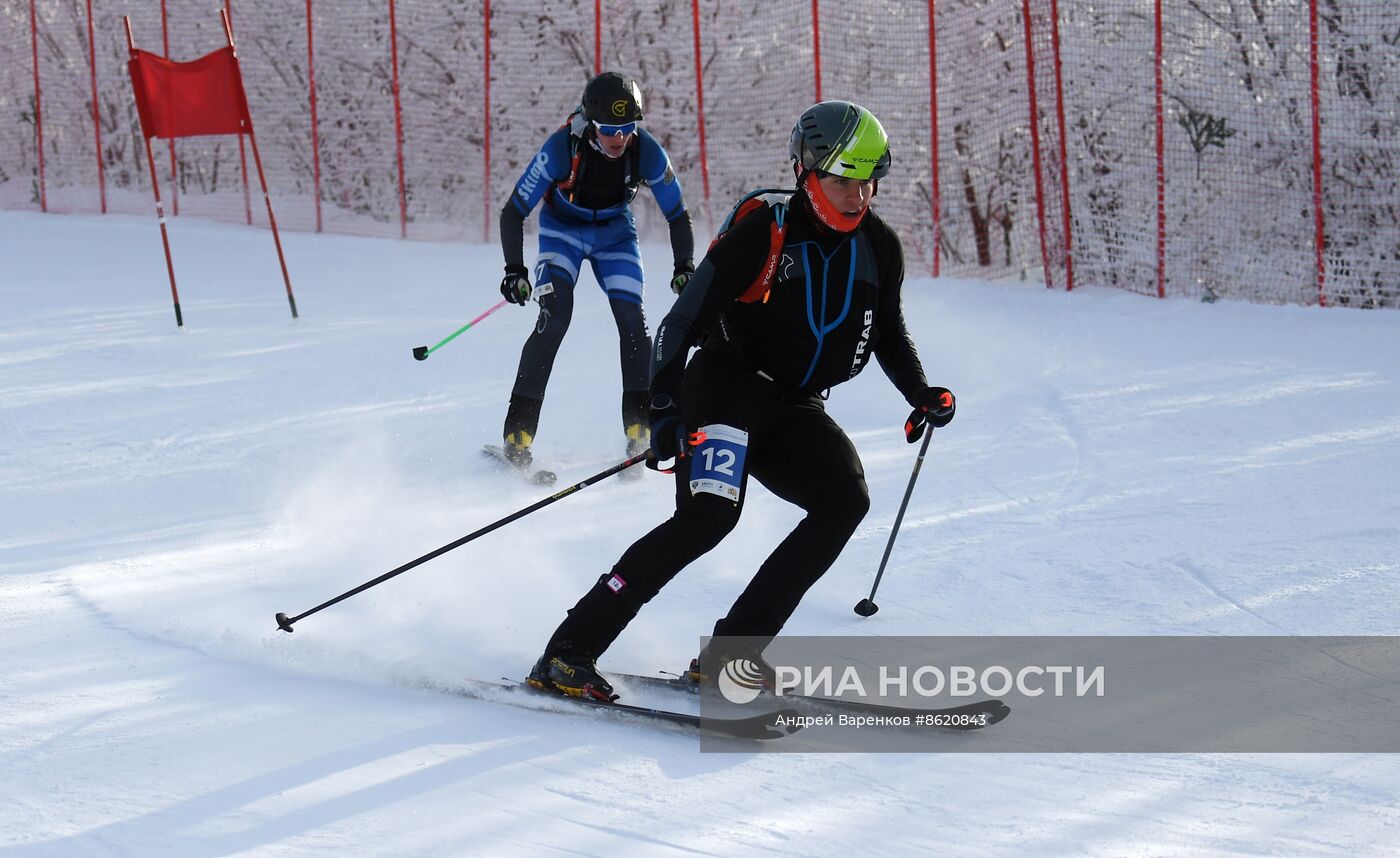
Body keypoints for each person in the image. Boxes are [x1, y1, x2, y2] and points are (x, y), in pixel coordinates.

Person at [527, 101, 957, 700]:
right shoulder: (766, 229)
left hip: (797, 405)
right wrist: (666, 412)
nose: (857, 198)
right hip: (726, 384)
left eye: (867, 183)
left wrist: (921, 392)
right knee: (709, 517)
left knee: (844, 500)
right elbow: (679, 326)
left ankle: (729, 657)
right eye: (842, 181)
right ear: (807, 172)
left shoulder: (879, 246)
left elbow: (886, 329)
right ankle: (567, 652)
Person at [496, 71, 695, 469]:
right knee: (555, 318)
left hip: (614, 233)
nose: (618, 139)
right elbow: (514, 210)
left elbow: (678, 214)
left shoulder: (647, 152)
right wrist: (514, 270)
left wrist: (684, 266)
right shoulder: (560, 148)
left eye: (627, 129)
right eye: (608, 129)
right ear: (590, 124)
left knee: (632, 320)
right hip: (562, 230)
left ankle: (640, 431)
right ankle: (518, 434)